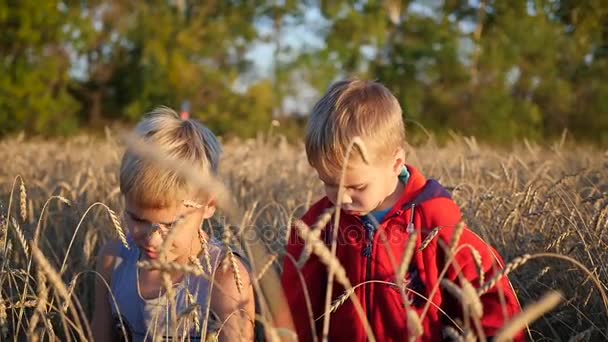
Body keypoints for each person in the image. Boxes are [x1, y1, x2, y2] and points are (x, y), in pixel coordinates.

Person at [280, 79, 524, 341]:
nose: (340, 197)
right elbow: (295, 306)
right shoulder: (318, 225)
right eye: (328, 183)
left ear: (396, 163)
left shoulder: (435, 219)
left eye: (356, 186)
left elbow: (488, 296)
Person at [92, 106, 255, 341]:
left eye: (170, 225)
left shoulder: (226, 279)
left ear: (209, 205)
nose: (152, 239)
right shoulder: (113, 260)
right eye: (138, 219)